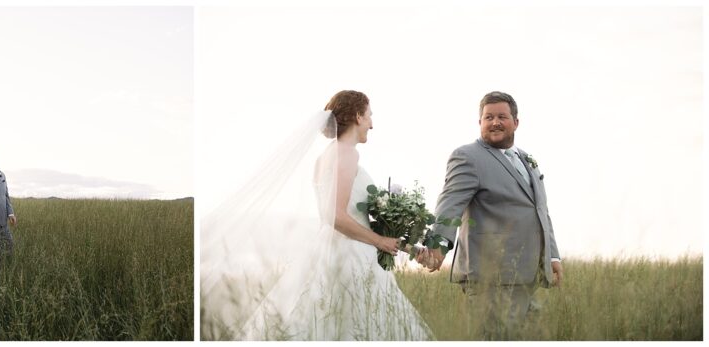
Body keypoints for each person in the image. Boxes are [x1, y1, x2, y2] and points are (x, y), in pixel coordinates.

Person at [200, 90, 431, 340]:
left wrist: (408, 247)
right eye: (369, 115)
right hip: (351, 257)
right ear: (357, 116)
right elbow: (336, 216)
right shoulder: (347, 153)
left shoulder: (324, 157)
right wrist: (379, 241)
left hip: (329, 251)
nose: (372, 124)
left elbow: (345, 216)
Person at [425, 91, 563, 340]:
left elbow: (541, 211)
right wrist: (437, 246)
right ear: (480, 123)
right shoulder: (468, 157)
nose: (495, 122)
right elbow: (450, 205)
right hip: (491, 277)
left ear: (516, 122)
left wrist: (552, 255)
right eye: (488, 117)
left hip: (529, 274)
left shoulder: (528, 161)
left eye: (502, 116)